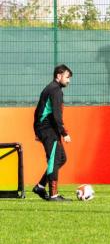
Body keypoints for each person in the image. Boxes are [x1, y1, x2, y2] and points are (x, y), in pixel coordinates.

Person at [32, 64, 73, 201]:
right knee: (54, 159)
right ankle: (54, 195)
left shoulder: (51, 88)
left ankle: (40, 186)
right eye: (67, 77)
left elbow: (39, 111)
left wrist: (38, 129)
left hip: (46, 128)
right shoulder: (55, 90)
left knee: (61, 159)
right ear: (59, 76)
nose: (69, 81)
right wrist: (64, 133)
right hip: (48, 129)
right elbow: (56, 115)